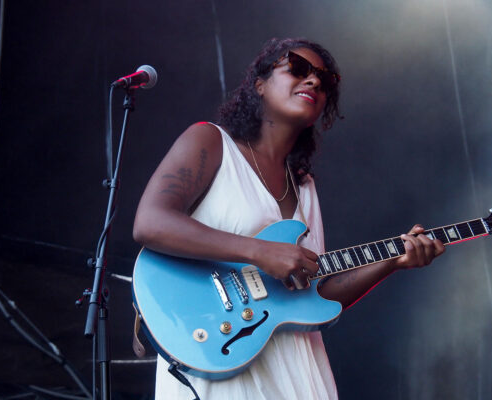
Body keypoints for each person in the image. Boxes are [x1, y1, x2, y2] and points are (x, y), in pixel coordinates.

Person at [133, 37, 445, 400]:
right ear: (259, 84)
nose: (313, 81)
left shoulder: (304, 186)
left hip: (297, 365)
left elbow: (316, 291)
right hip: (220, 350)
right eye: (298, 69)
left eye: (325, 81)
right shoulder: (210, 141)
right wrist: (259, 252)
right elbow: (150, 222)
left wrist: (393, 262)